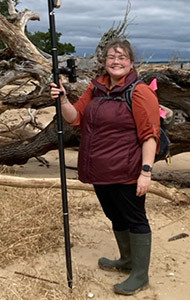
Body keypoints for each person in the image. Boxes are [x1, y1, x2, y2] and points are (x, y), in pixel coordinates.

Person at [50, 38, 160, 295]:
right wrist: (63, 99)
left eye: (122, 57)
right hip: (100, 170)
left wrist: (146, 172)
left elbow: (150, 135)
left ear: (131, 62)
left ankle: (140, 275)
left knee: (135, 219)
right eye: (111, 57)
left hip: (127, 171)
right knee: (115, 216)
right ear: (104, 61)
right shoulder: (96, 87)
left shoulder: (140, 91)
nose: (116, 62)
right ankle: (126, 260)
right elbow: (76, 117)